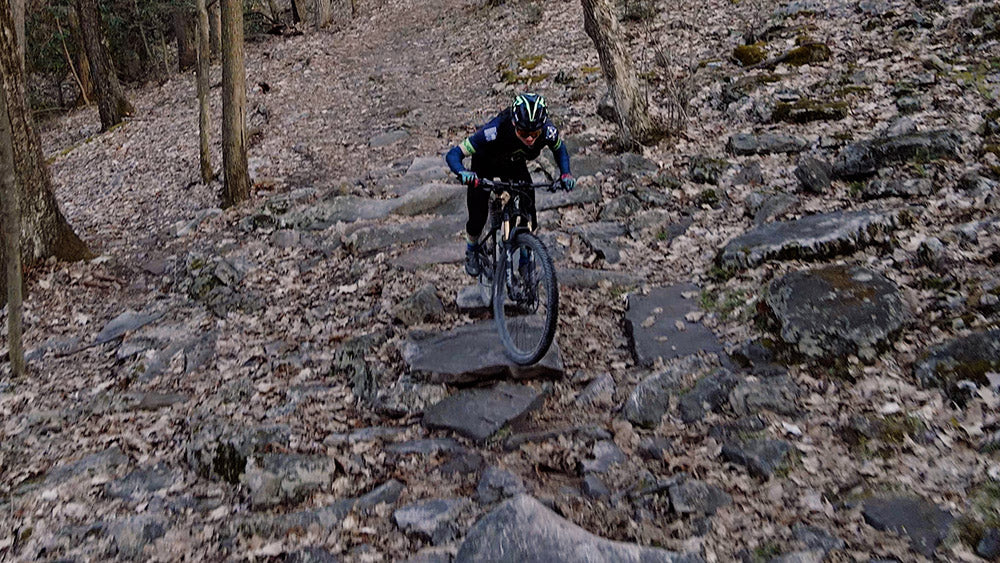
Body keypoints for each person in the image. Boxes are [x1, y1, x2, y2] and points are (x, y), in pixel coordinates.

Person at [445, 93, 575, 276]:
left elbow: (560, 149)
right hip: (485, 163)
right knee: (477, 217)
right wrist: (462, 172)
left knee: (529, 209)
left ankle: (525, 257)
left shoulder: (548, 131)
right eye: (524, 133)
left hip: (514, 163)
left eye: (535, 134)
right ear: (514, 124)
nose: (530, 139)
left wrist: (566, 173)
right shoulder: (494, 130)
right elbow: (453, 154)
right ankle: (472, 249)